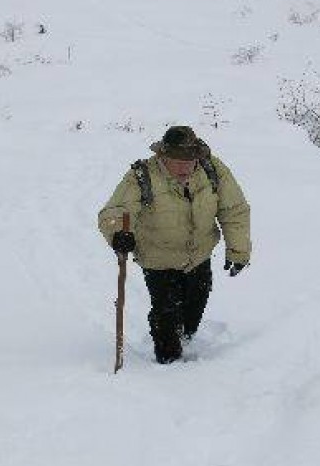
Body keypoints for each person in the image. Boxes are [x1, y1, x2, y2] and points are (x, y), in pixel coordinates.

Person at [98, 126, 251, 363]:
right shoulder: (142, 176)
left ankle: (185, 336)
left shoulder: (212, 169)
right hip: (159, 259)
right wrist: (119, 233)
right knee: (166, 314)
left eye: (189, 160)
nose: (184, 167)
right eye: (176, 161)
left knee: (194, 308)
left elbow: (234, 209)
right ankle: (168, 367)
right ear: (162, 156)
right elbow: (116, 210)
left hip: (199, 256)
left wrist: (238, 250)